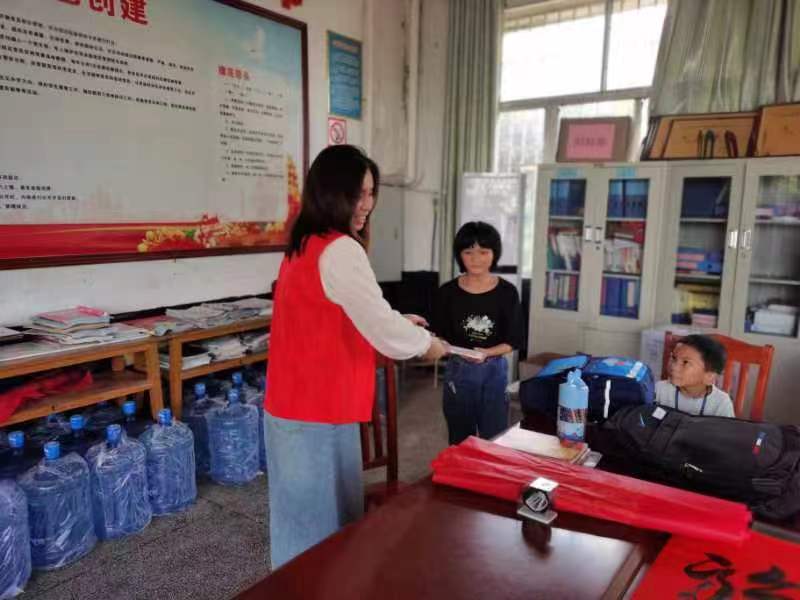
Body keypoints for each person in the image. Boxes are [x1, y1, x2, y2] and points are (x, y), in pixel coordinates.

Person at [264, 144, 447, 569]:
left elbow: (342, 312)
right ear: (330, 194)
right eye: (357, 194)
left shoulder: (304, 244)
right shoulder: (340, 249)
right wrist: (427, 344)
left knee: (303, 524)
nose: (367, 204)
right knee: (316, 537)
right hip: (317, 411)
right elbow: (381, 327)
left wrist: (399, 321)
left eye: (370, 193)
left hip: (299, 406)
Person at [432, 221, 523, 445]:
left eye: (483, 252)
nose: (476, 259)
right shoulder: (447, 292)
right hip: (458, 370)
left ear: (494, 254)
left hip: (494, 371)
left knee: (495, 437)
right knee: (460, 439)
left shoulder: (507, 292)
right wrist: (444, 347)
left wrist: (487, 353)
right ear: (459, 255)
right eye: (468, 252)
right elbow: (439, 334)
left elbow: (514, 339)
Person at [656, 334, 734, 417]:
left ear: (709, 377)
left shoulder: (721, 403)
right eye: (674, 358)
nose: (673, 367)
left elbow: (727, 425)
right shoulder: (659, 390)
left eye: (685, 362)